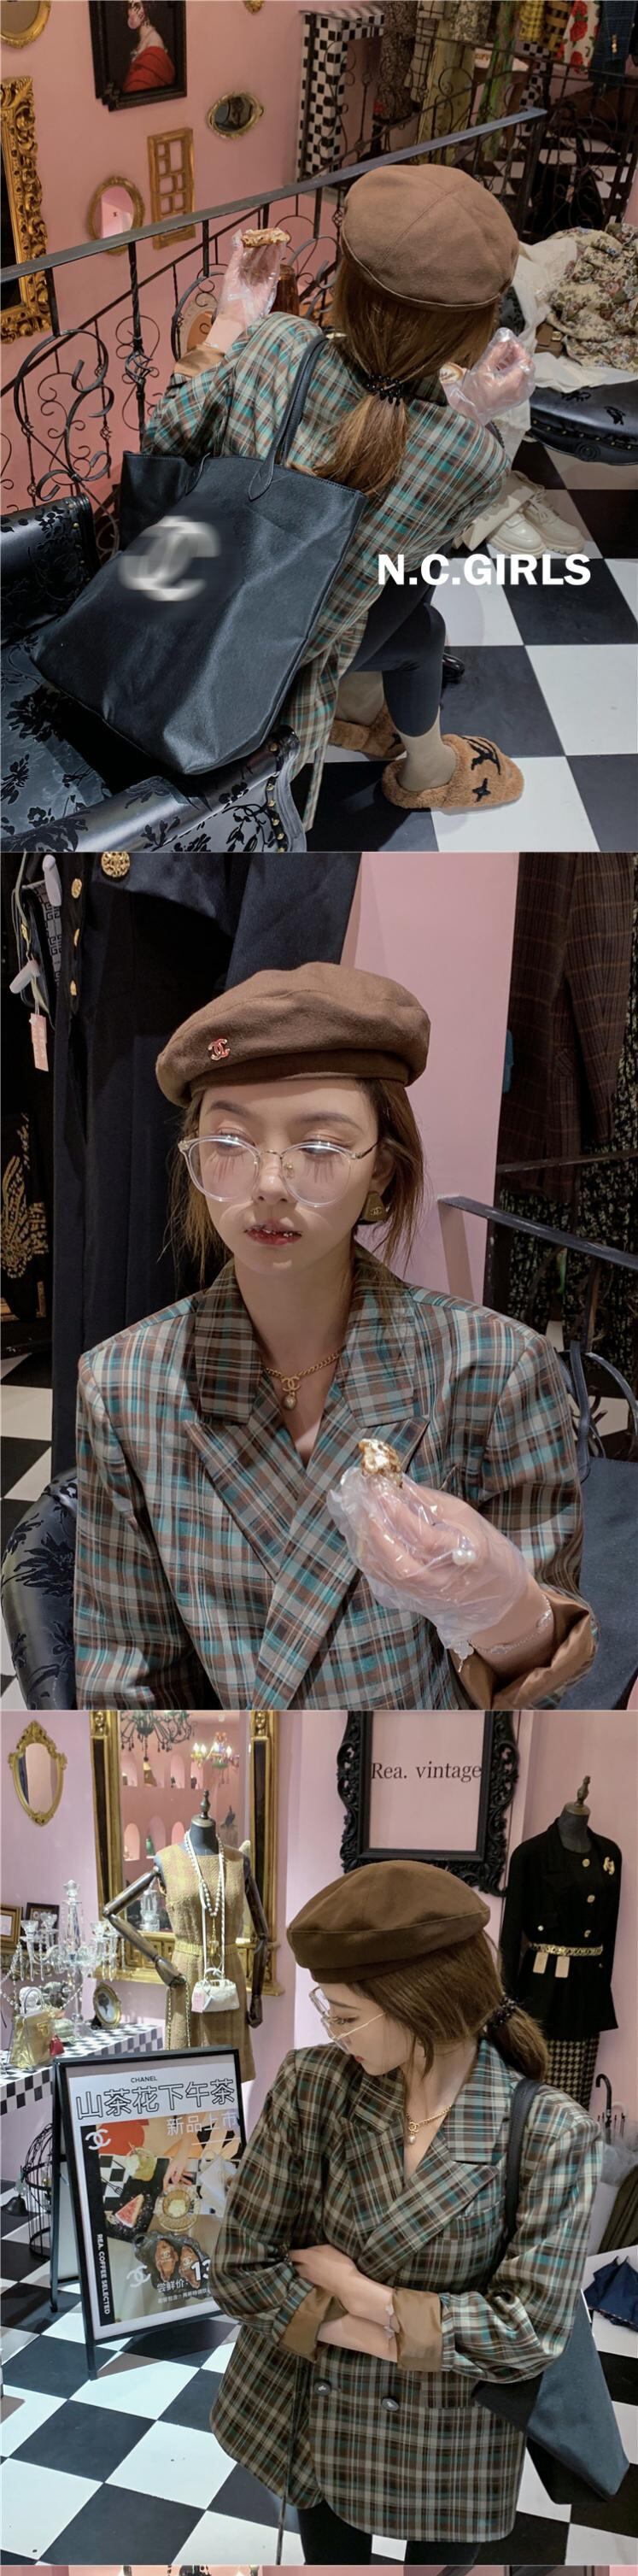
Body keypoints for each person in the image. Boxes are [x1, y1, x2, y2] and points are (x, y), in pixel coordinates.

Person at [73, 963, 595, 1712]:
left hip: (421, 1774)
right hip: (232, 1778)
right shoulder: (126, 1385)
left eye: (319, 1147)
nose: (269, 1183)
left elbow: (531, 1696)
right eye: (229, 1141)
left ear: (380, 1168)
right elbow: (130, 1686)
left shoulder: (493, 1369)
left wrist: (502, 1602)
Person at [208, 1863, 602, 2561]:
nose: (335, 2032)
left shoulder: (550, 2133)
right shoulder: (315, 2086)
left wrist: (363, 2293)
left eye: (347, 2014)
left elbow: (528, 2331)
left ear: (420, 2000)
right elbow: (239, 2270)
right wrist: (387, 2338)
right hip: (314, 2419)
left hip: (449, 2445)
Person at [142, 166, 527, 825]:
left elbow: (163, 438)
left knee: (414, 599)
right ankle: (424, 770)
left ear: (347, 277)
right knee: (421, 616)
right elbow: (420, 537)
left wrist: (231, 319)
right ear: (477, 324)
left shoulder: (275, 342)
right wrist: (472, 416)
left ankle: (371, 713)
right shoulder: (472, 456)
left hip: (197, 594)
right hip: (298, 657)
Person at [122, 4, 175, 96]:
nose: (132, 13)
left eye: (137, 7)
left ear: (147, 8)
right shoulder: (139, 39)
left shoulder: (154, 42)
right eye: (130, 7)